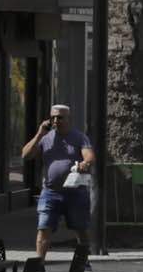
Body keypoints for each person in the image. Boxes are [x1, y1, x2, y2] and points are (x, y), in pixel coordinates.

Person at [21, 104, 97, 260]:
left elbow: (89, 156)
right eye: (53, 117)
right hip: (50, 192)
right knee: (43, 228)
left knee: (81, 230)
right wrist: (39, 134)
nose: (56, 120)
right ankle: (39, 265)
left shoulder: (79, 137)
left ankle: (83, 264)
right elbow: (26, 155)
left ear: (69, 119)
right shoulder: (45, 138)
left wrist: (85, 163)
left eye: (60, 117)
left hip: (75, 192)